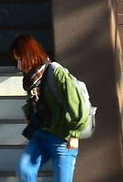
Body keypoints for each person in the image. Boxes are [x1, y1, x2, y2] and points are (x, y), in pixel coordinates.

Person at [9, 34, 89, 182]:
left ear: (29, 55)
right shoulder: (31, 79)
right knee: (24, 170)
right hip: (41, 134)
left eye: (20, 59)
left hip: (62, 138)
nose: (18, 65)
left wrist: (75, 134)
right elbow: (34, 102)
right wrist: (30, 114)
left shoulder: (55, 73)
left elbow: (77, 103)